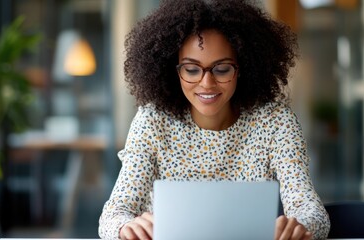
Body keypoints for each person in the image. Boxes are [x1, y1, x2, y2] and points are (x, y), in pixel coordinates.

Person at [99, 0, 330, 239]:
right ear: (172, 70)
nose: (206, 83)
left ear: (243, 68)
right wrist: (125, 227)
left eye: (221, 69)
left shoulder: (275, 122)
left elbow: (311, 211)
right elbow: (115, 213)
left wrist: (300, 227)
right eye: (191, 69)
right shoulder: (152, 121)